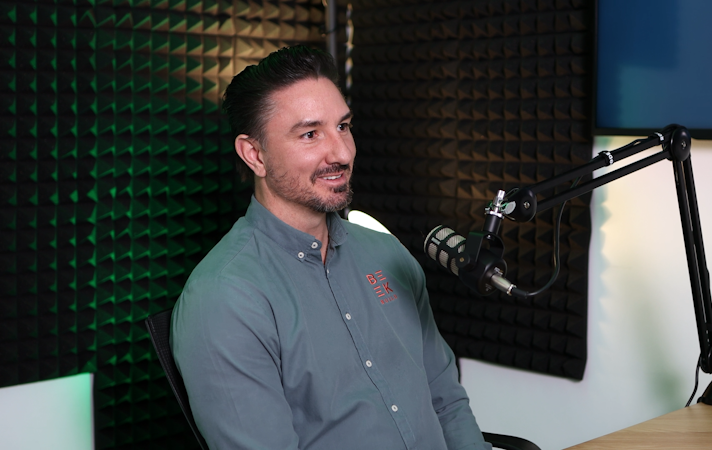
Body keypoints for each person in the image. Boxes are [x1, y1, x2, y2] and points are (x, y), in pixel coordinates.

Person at [170, 45, 491, 450]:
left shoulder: (387, 254)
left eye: (343, 126)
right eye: (310, 134)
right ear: (255, 154)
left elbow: (445, 399)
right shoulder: (224, 297)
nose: (341, 152)